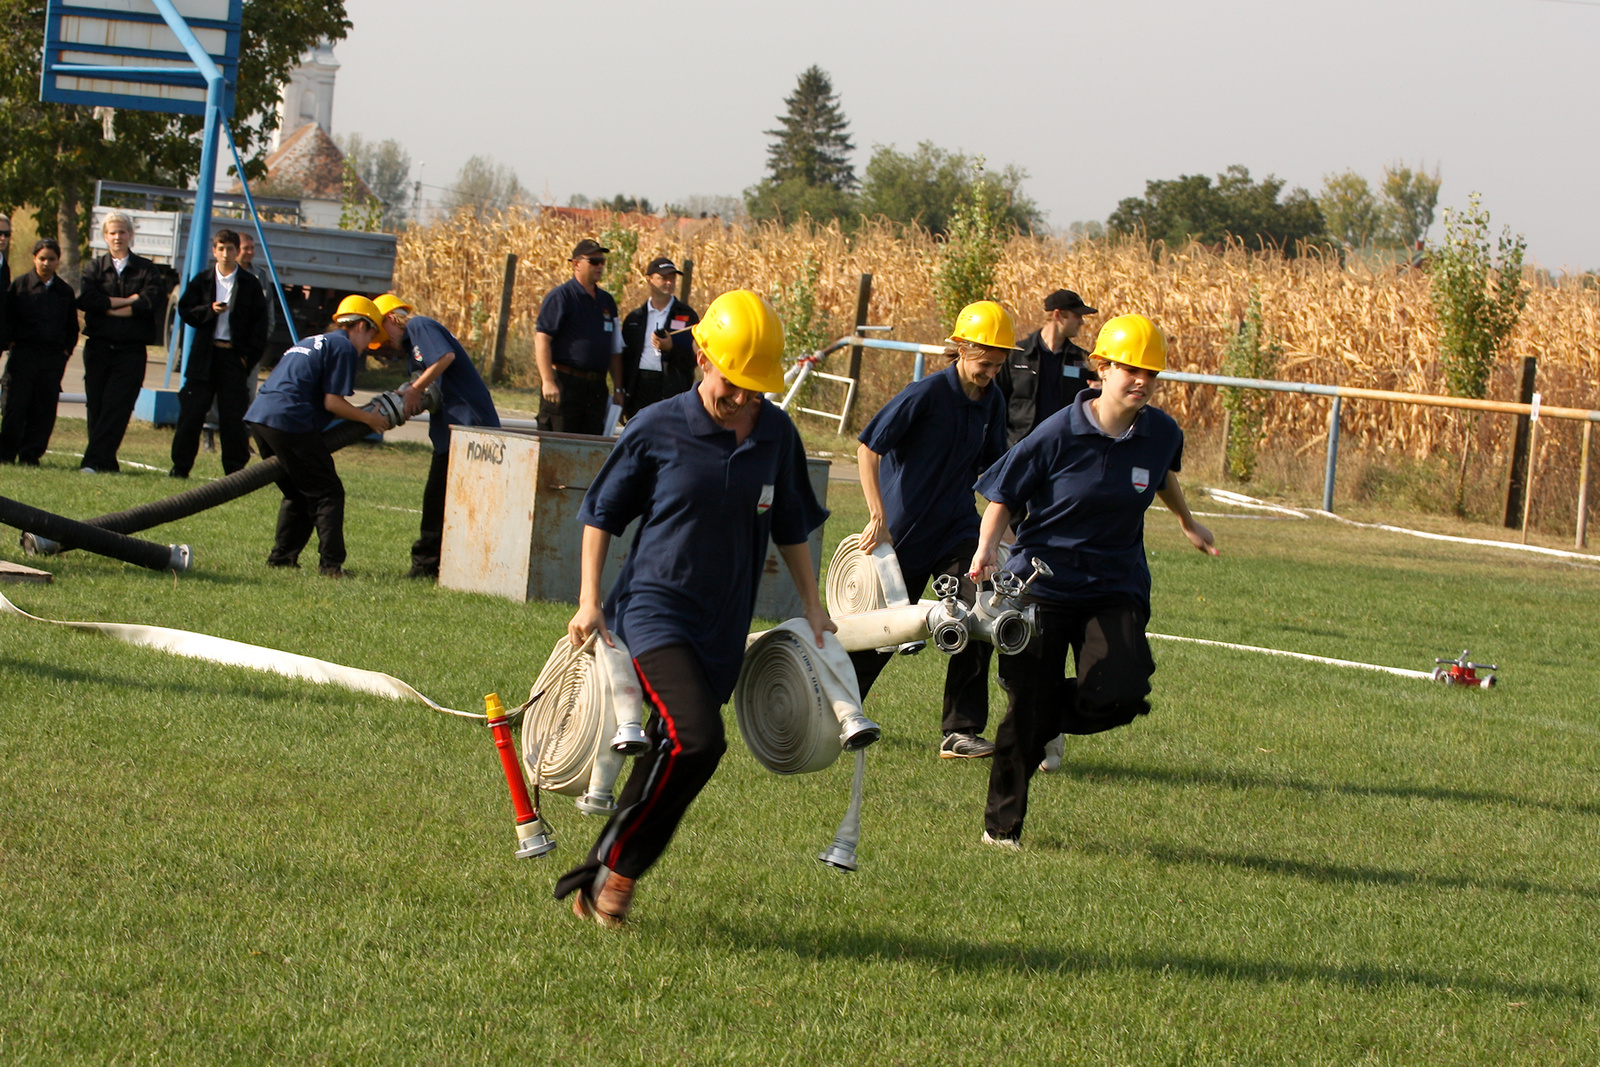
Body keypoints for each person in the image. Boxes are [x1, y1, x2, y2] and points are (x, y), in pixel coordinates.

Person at [552, 289, 831, 928]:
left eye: (756, 391)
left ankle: (601, 882)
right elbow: (601, 514)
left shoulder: (776, 436)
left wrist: (814, 606)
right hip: (654, 612)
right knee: (698, 741)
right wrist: (589, 601)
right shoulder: (657, 425)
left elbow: (791, 525)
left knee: (668, 754)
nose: (741, 401)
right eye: (732, 385)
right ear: (701, 355)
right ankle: (613, 869)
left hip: (722, 624)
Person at [967, 314, 1218, 849]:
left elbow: (1161, 476)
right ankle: (1001, 829)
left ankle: (1038, 714)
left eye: (1151, 372)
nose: (1141, 381)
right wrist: (987, 549)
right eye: (1130, 368)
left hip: (1114, 582)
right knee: (1027, 710)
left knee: (1122, 694)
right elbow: (1004, 492)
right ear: (1100, 368)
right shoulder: (1059, 431)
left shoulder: (1161, 432)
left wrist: (1186, 520)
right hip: (1043, 583)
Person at [851, 299, 1011, 759]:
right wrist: (878, 516)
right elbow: (868, 447)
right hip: (902, 535)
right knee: (878, 637)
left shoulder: (992, 400)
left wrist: (1006, 532)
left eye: (998, 365)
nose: (990, 373)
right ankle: (837, 711)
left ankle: (960, 731)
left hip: (957, 529)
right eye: (984, 363)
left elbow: (994, 471)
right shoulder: (925, 394)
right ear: (960, 348)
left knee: (979, 611)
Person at [243, 295, 391, 578]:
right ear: (361, 325)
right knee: (328, 493)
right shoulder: (344, 347)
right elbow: (332, 403)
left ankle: (282, 559)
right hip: (289, 421)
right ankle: (331, 566)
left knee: (299, 493)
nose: (367, 348)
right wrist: (368, 418)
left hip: (261, 418)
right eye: (371, 335)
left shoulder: (312, 341)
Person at [375, 293, 502, 579]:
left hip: (470, 427)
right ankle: (435, 565)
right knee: (439, 499)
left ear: (390, 319)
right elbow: (434, 389)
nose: (383, 342)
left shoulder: (419, 326)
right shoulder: (412, 351)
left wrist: (415, 389)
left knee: (452, 500)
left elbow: (446, 356)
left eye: (381, 333)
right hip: (448, 432)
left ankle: (430, 566)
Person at [170, 229, 268, 478]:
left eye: (231, 249)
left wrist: (246, 358)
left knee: (233, 417)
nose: (225, 254)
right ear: (214, 251)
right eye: (221, 249)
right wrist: (209, 310)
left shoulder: (249, 284)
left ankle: (235, 472)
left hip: (233, 358)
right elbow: (186, 310)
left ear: (238, 252)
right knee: (192, 413)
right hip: (204, 356)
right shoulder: (202, 280)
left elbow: (261, 326)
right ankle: (180, 467)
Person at [76, 210, 168, 473]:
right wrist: (129, 301)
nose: (118, 237)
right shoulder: (94, 267)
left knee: (118, 405)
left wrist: (108, 307)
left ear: (131, 235)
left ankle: (92, 462)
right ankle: (105, 462)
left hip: (131, 349)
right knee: (97, 404)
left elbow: (151, 302)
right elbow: (89, 301)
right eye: (112, 232)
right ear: (105, 236)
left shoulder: (146, 268)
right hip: (99, 347)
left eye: (122, 232)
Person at [534, 239, 625, 434]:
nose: (600, 266)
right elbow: (542, 339)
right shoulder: (561, 297)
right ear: (576, 264)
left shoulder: (606, 301)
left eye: (602, 261)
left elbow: (615, 349)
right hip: (566, 384)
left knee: (590, 447)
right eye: (594, 262)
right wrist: (548, 381)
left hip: (596, 389)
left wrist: (618, 388)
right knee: (558, 444)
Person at [0, 239, 77, 465]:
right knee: (15, 407)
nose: (46, 263)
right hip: (23, 355)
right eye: (42, 258)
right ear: (34, 258)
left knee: (43, 410)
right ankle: (5, 454)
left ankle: (31, 455)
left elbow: (72, 326)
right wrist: (10, 342)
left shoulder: (64, 291)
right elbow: (7, 318)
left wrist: (65, 351)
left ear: (57, 261)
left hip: (51, 358)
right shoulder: (20, 285)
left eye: (51, 259)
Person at [994, 289, 1098, 448]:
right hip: (1019, 447)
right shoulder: (1017, 355)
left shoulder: (1082, 360)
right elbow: (997, 402)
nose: (1082, 322)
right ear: (1058, 315)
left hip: (1062, 449)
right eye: (1077, 315)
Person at [619, 256, 699, 419]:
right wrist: (621, 392)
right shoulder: (635, 318)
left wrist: (671, 349)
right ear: (649, 280)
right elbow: (624, 359)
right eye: (663, 278)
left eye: (672, 278)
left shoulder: (686, 316)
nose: (669, 283)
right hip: (639, 389)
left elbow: (695, 358)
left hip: (670, 390)